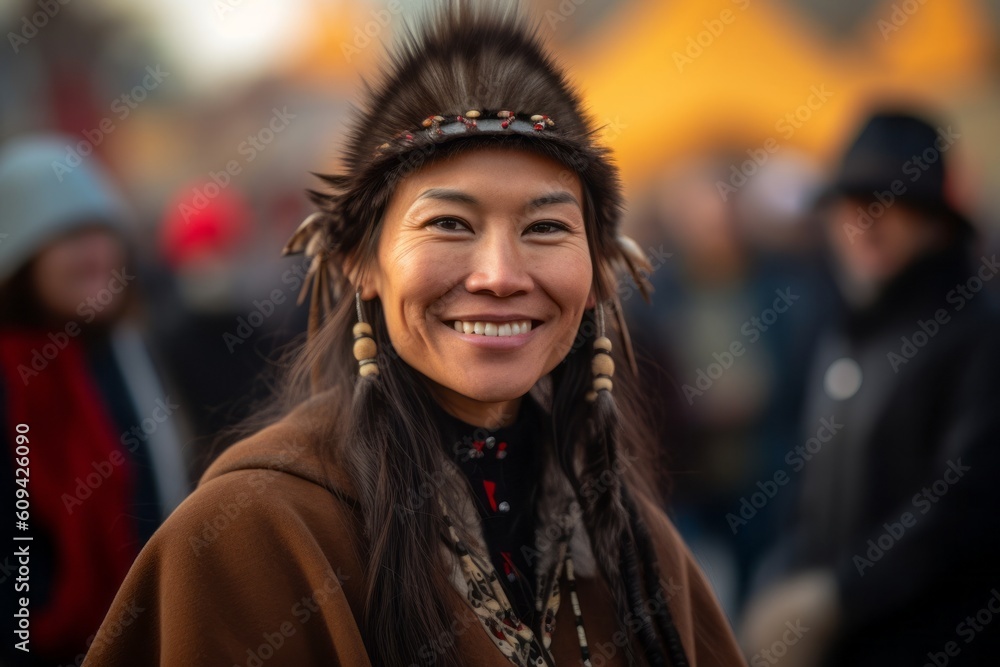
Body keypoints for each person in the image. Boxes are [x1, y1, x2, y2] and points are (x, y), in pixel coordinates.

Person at [84, 4, 744, 666]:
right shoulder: (256, 534)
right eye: (450, 224)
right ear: (361, 263)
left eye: (546, 228)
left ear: (599, 272)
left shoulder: (635, 547)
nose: (500, 275)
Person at [739, 110, 1000, 666]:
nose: (868, 222)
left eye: (894, 202)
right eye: (853, 203)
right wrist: (781, 578)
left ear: (937, 222)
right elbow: (805, 480)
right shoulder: (839, 327)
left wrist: (836, 598)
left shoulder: (979, 334)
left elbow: (963, 506)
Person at [0, 135, 190, 666]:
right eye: (67, 236)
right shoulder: (13, 380)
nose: (94, 253)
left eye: (102, 232)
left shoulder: (133, 349)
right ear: (19, 259)